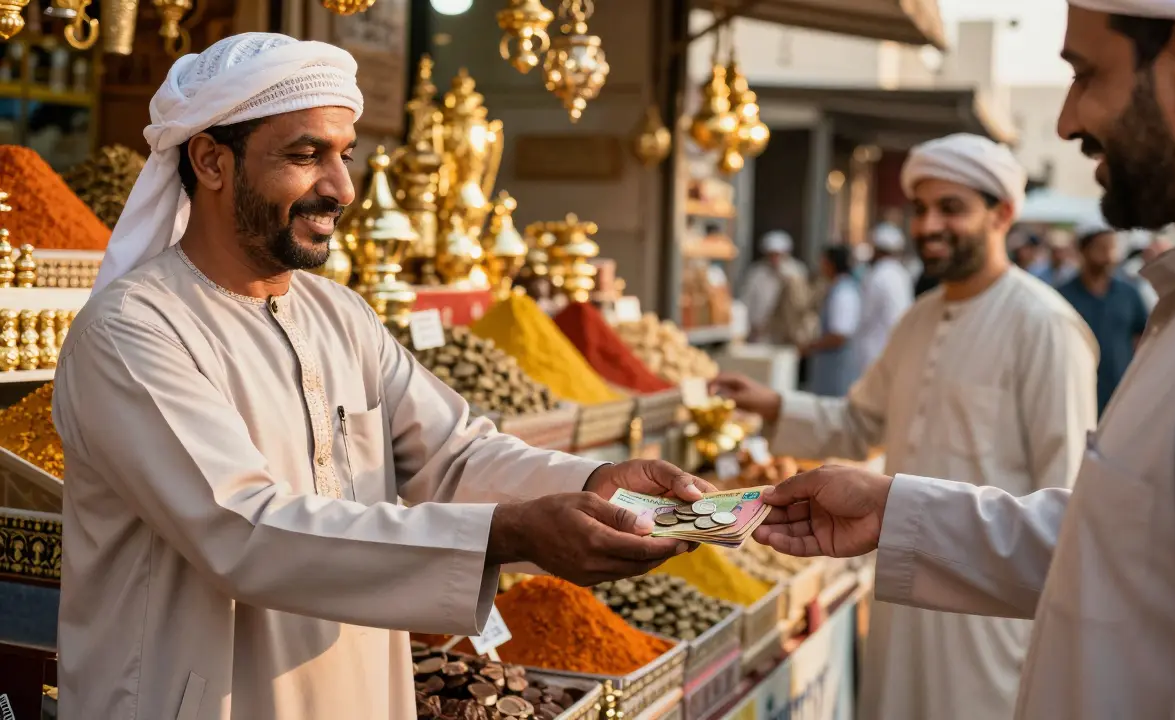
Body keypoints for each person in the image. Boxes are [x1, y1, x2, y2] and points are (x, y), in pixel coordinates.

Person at [51, 34, 707, 720]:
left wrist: (589, 486)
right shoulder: (131, 331)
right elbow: (242, 531)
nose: (341, 188)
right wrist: (509, 534)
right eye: (306, 156)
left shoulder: (338, 315)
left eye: (345, 155)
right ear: (212, 161)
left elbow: (453, 456)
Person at [753, 3, 1175, 717]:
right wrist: (895, 509)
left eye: (1086, 74)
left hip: (986, 651)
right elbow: (1114, 542)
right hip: (924, 614)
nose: (1066, 121)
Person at [713, 133, 1098, 720]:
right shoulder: (918, 318)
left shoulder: (1044, 326)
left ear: (1002, 214)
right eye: (920, 209)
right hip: (903, 585)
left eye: (951, 208)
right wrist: (770, 405)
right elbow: (859, 423)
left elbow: (1070, 504)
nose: (929, 225)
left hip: (991, 618)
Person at [1057, 228, 1149, 414]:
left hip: (1121, 393)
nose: (1107, 255)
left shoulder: (1128, 293)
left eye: (1111, 248)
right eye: (1100, 248)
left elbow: (1143, 337)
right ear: (1084, 250)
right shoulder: (1063, 296)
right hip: (1077, 393)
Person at [852, 223, 915, 377]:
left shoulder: (878, 275)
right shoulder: (901, 273)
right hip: (895, 346)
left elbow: (865, 314)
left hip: (875, 348)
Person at [801, 245, 860, 397]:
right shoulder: (837, 288)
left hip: (837, 370)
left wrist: (811, 346)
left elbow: (839, 335)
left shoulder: (843, 292)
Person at [739, 229, 810, 344]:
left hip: (785, 334)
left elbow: (801, 304)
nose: (774, 259)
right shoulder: (756, 273)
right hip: (760, 334)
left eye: (778, 255)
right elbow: (746, 302)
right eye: (771, 255)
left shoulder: (796, 272)